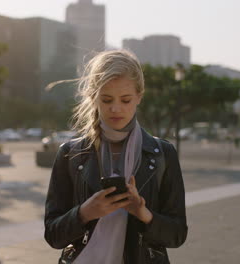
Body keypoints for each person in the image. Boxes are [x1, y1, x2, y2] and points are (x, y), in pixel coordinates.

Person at [44, 49, 187, 264]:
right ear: (93, 98)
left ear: (139, 96)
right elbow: (53, 235)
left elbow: (177, 235)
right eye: (107, 99)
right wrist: (85, 213)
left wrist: (143, 212)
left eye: (126, 100)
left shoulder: (163, 154)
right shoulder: (70, 154)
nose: (116, 108)